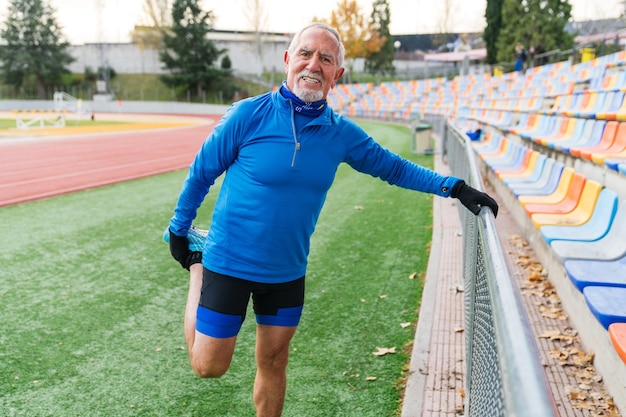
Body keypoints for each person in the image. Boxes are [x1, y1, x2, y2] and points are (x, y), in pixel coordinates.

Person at [166, 22, 498, 417]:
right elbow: (201, 172)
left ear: (337, 75)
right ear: (288, 60)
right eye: (305, 54)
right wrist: (179, 229)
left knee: (274, 361)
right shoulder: (247, 115)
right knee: (209, 367)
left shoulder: (341, 134)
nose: (313, 64)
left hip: (286, 271)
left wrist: (455, 187)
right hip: (227, 260)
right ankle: (197, 272)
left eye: (326, 59)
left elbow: (392, 167)